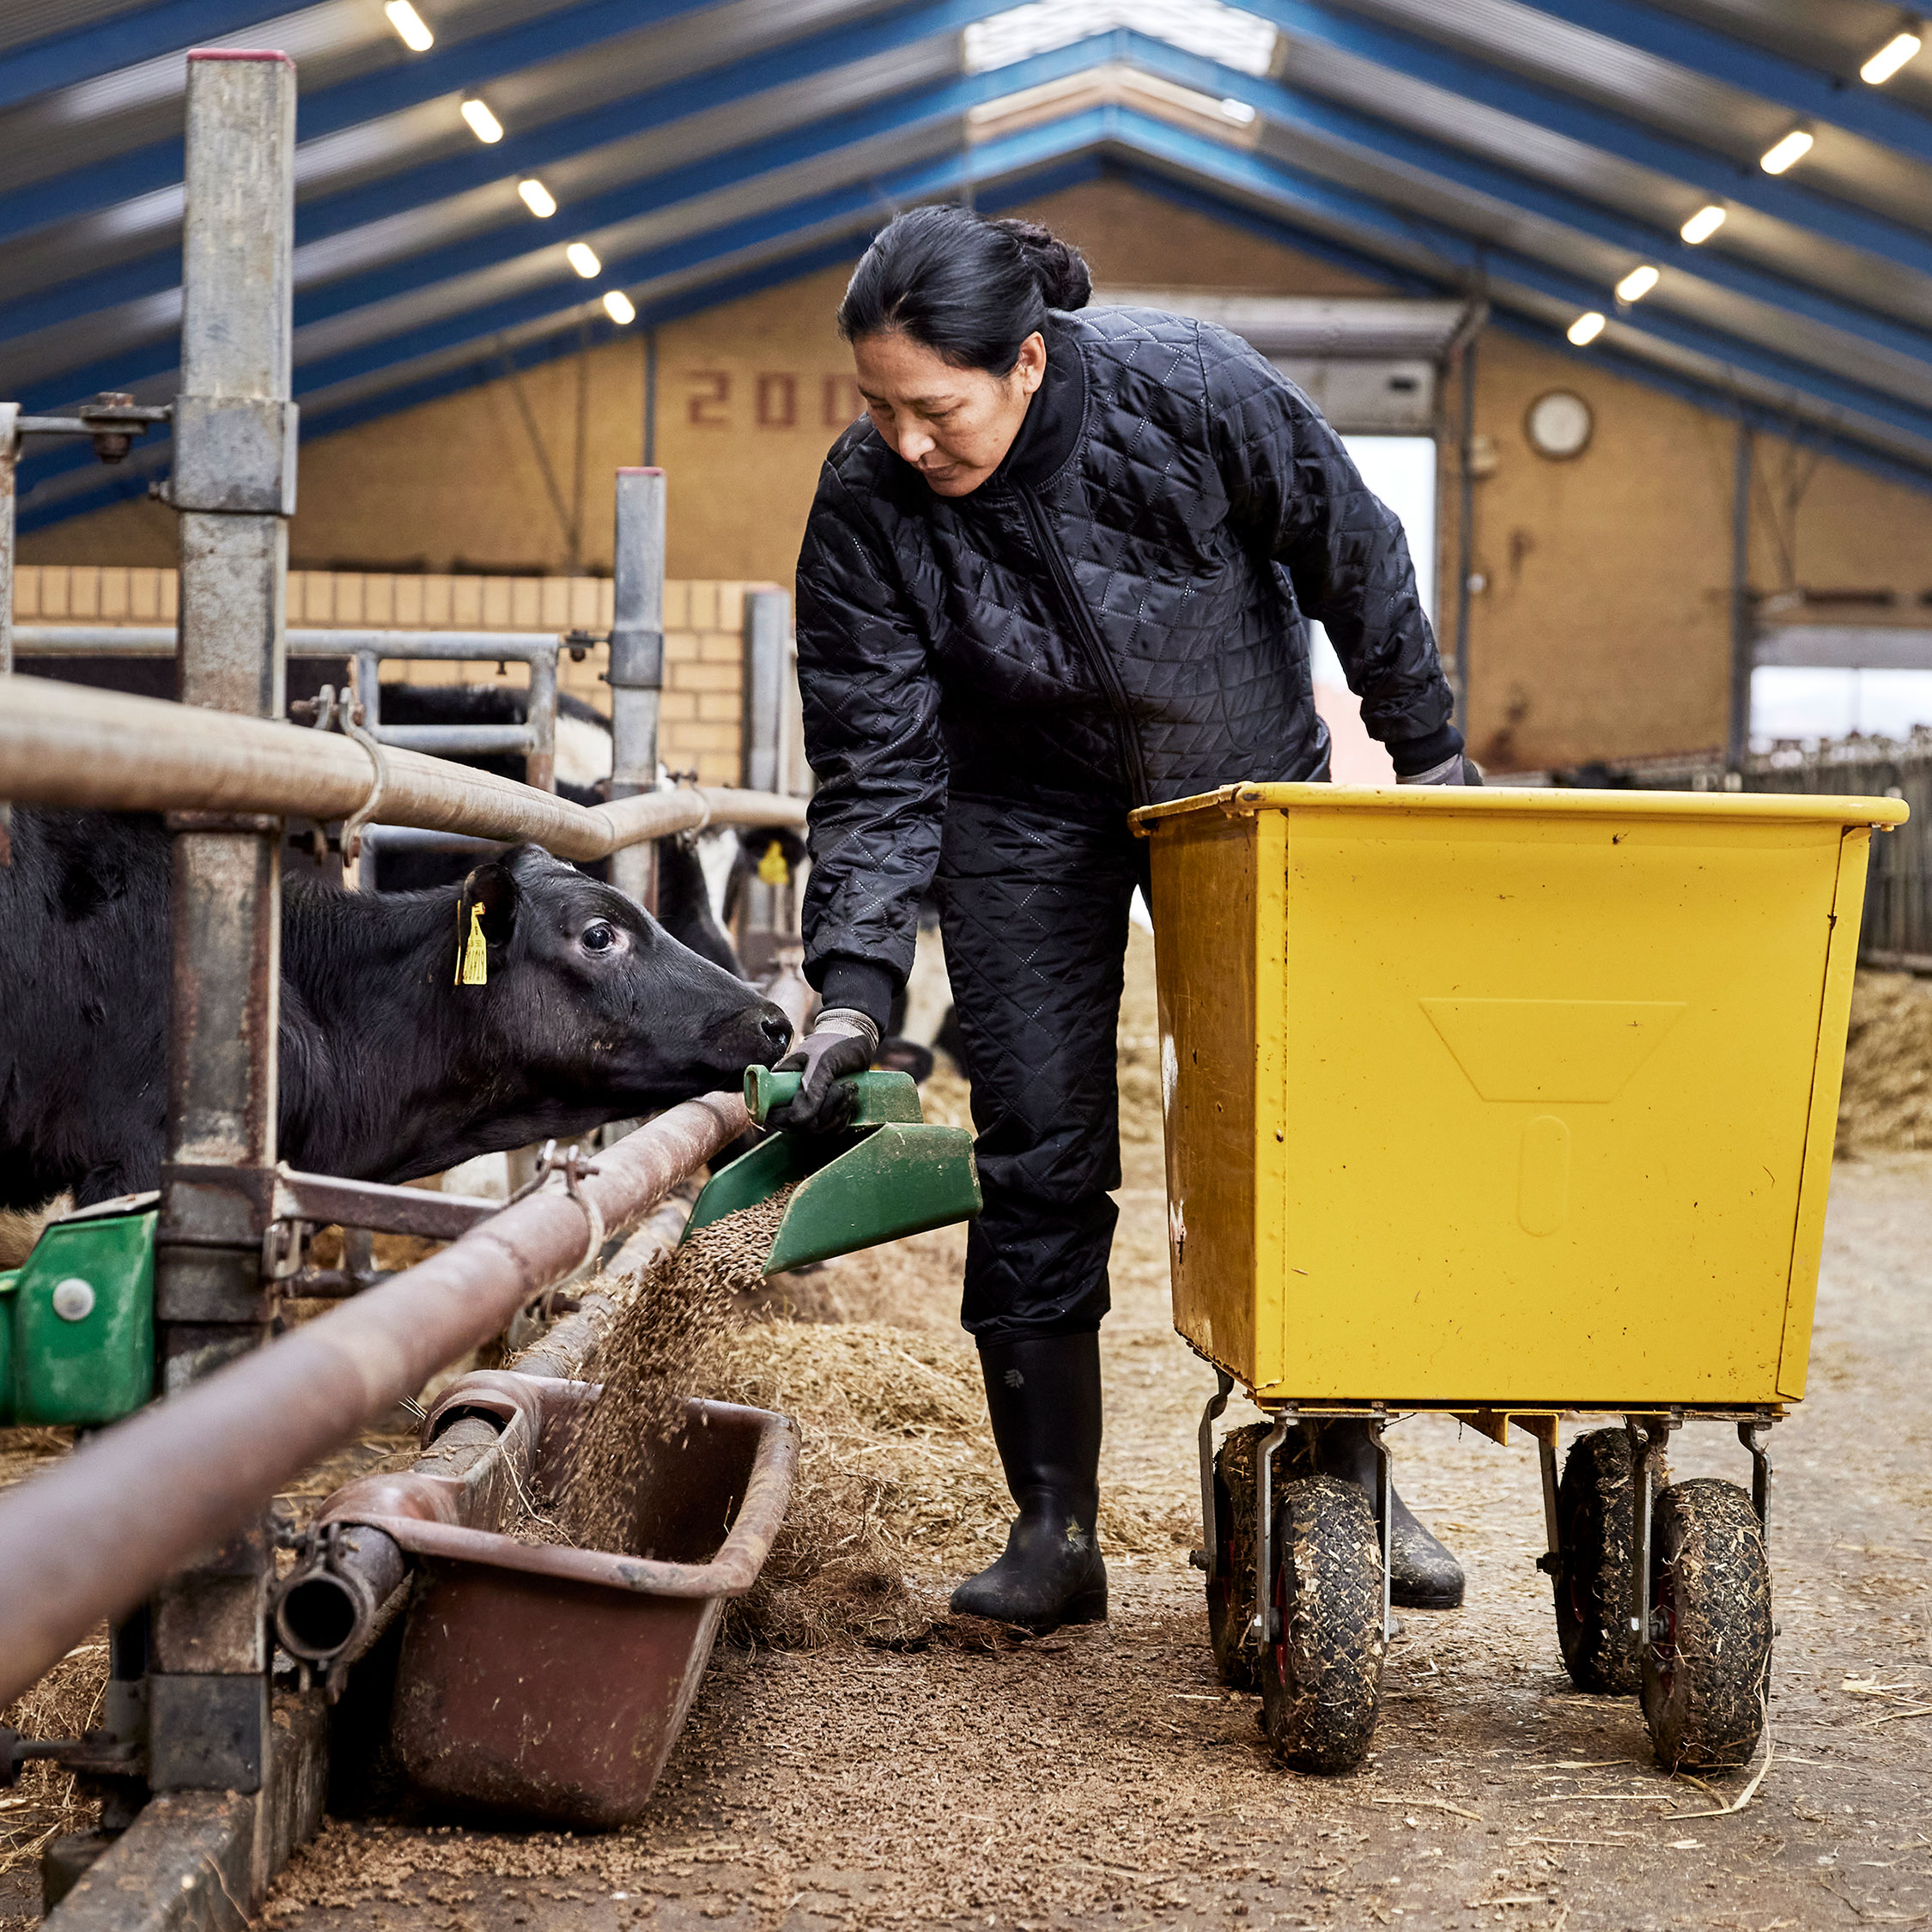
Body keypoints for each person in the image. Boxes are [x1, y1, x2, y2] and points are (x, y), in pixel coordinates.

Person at [771, 205, 1474, 1633]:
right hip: (1018, 816)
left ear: (1027, 360)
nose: (903, 440)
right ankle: (1054, 1526)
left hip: (1240, 783)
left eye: (934, 406)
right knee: (1035, 1141)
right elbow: (874, 758)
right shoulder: (867, 503)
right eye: (876, 404)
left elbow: (1352, 545)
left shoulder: (1189, 387)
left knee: (1296, 1117)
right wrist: (854, 983)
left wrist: (1430, 749)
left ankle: (1348, 1466)